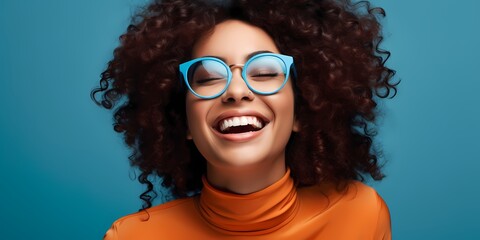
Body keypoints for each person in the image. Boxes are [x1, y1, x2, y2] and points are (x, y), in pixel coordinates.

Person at [92, 0, 397, 239]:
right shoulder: (134, 237)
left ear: (301, 112)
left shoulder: (360, 217)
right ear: (182, 121)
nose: (237, 91)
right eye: (209, 77)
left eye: (264, 72)